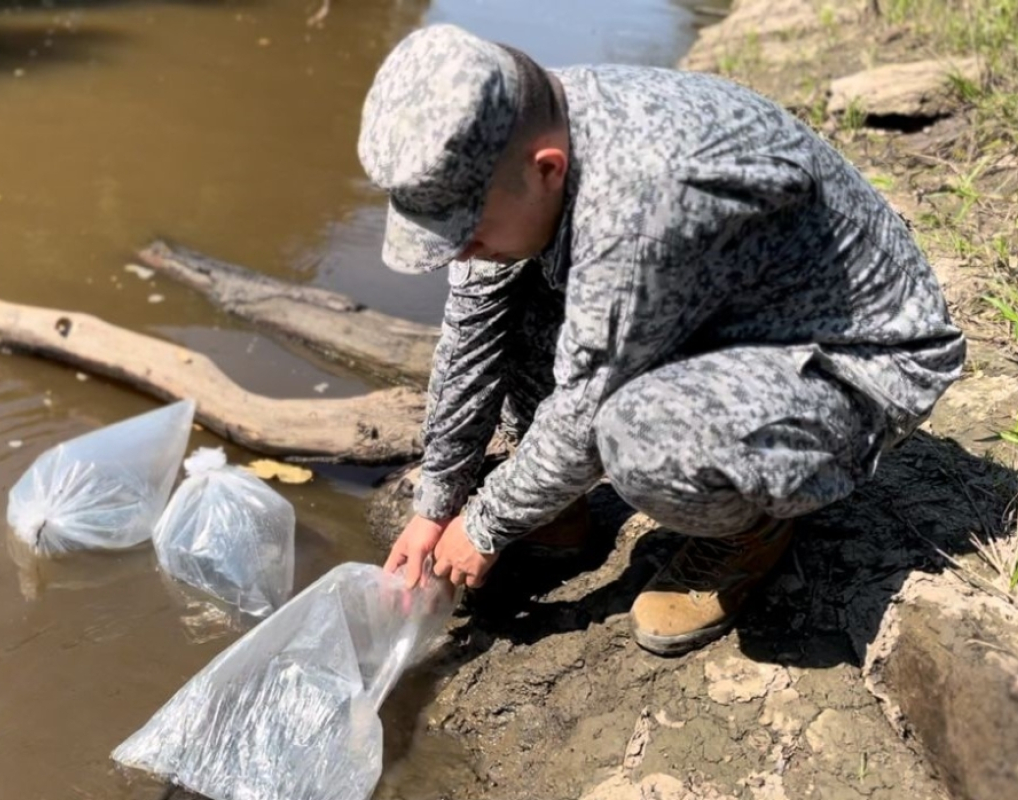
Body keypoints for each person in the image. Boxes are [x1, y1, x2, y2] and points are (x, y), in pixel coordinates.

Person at [357, 24, 964, 655]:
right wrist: (437, 505)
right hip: (724, 305)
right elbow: (471, 336)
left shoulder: (643, 201)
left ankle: (748, 531)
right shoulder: (522, 139)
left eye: (470, 233)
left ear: (546, 169)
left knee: (638, 434)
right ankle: (557, 513)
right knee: (510, 297)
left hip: (853, 354)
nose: (462, 249)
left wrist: (484, 525)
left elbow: (589, 410)